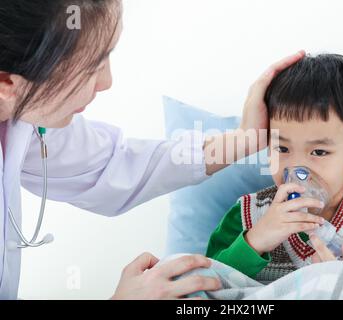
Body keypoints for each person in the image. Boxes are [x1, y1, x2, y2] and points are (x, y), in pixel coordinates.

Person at [0, 0, 304, 299]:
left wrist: (244, 140)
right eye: (90, 69)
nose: (107, 82)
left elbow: (112, 166)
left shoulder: (27, 119)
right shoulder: (249, 214)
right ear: (7, 84)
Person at [206, 54, 343, 300]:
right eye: (282, 149)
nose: (297, 170)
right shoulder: (248, 216)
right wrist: (254, 242)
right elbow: (204, 285)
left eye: (319, 152)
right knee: (175, 265)